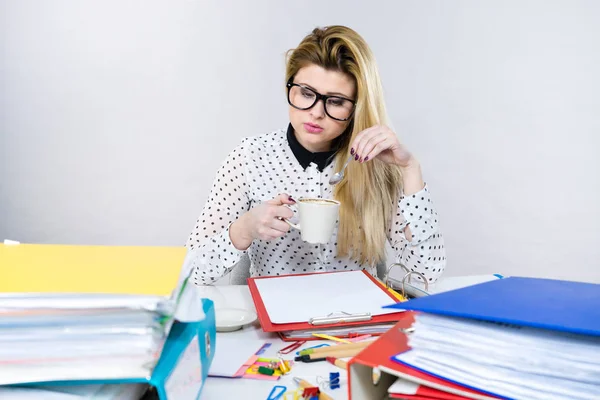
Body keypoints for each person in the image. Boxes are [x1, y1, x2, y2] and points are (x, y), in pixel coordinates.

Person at [186, 25, 446, 287]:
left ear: (356, 108)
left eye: (335, 101)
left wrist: (409, 169)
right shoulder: (250, 157)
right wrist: (243, 230)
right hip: (274, 318)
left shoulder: (376, 163)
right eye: (307, 94)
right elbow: (191, 272)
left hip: (355, 319)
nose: (316, 113)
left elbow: (427, 272)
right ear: (290, 88)